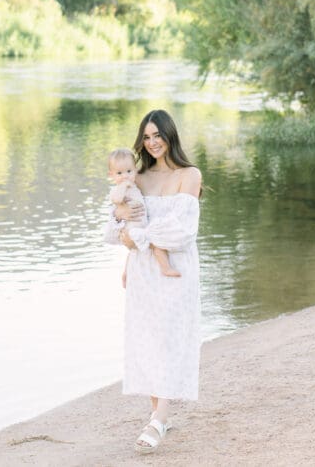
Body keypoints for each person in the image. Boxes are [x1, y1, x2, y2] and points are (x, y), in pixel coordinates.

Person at [103, 109, 202, 454]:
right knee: (147, 339)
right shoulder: (137, 178)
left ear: (170, 135)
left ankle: (159, 420)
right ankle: (157, 412)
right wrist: (123, 226)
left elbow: (183, 230)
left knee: (169, 339)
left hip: (175, 268)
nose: (152, 142)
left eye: (157, 135)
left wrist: (139, 238)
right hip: (143, 271)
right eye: (146, 137)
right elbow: (117, 227)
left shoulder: (189, 175)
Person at [108, 147, 181, 282]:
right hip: (131, 226)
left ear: (135, 170)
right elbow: (117, 199)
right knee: (155, 244)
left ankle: (127, 272)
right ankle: (165, 268)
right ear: (111, 175)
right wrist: (123, 186)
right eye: (119, 173)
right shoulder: (117, 190)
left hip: (141, 225)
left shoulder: (135, 185)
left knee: (141, 247)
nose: (125, 176)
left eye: (128, 171)